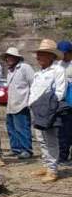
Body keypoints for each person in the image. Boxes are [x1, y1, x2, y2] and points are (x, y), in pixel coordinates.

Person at [28, 39, 68, 183]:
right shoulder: (39, 73)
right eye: (38, 54)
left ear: (51, 56)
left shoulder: (58, 70)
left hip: (48, 110)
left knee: (51, 140)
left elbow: (60, 93)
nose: (38, 57)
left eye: (42, 54)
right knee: (41, 139)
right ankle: (46, 165)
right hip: (36, 110)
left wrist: (46, 106)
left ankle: (52, 170)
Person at [0, 47, 34, 159]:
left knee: (22, 128)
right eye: (7, 57)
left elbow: (33, 84)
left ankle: (26, 150)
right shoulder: (10, 71)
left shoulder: (25, 68)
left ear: (16, 57)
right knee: (11, 128)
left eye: (10, 57)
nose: (8, 59)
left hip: (22, 103)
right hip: (11, 104)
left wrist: (30, 101)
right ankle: (16, 149)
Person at [58, 40, 72, 164]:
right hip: (63, 104)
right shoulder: (58, 65)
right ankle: (63, 156)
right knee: (63, 132)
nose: (63, 55)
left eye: (65, 53)